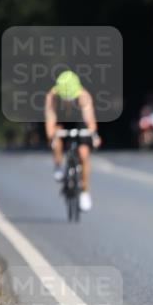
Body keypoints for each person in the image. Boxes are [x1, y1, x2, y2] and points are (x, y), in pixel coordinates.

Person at [44, 71, 101, 212]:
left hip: (78, 122)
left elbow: (90, 121)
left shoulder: (83, 96)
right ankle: (58, 165)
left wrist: (94, 135)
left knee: (83, 154)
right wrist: (51, 137)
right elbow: (50, 121)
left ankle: (85, 192)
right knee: (56, 139)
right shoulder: (52, 97)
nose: (68, 101)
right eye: (65, 98)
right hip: (61, 122)